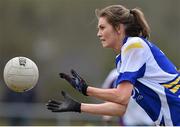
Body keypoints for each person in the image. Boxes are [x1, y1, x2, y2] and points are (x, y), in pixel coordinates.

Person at [46, 5, 180, 126]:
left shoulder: (133, 46)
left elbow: (121, 96)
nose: (99, 34)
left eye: (102, 28)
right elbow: (121, 107)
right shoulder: (123, 57)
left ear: (118, 28)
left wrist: (86, 90)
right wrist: (78, 107)